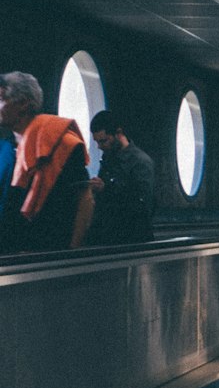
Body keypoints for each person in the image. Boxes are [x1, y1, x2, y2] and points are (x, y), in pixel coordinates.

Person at [0, 70, 93, 252]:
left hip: (47, 251)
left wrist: (73, 250)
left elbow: (84, 199)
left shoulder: (63, 144)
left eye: (1, 99)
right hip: (7, 251)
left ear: (23, 103)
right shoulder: (4, 148)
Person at [88, 110, 156, 245]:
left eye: (104, 141)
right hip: (110, 238)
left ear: (118, 133)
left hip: (132, 241)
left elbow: (143, 207)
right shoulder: (108, 159)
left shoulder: (140, 162)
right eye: (97, 142)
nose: (100, 147)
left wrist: (107, 189)